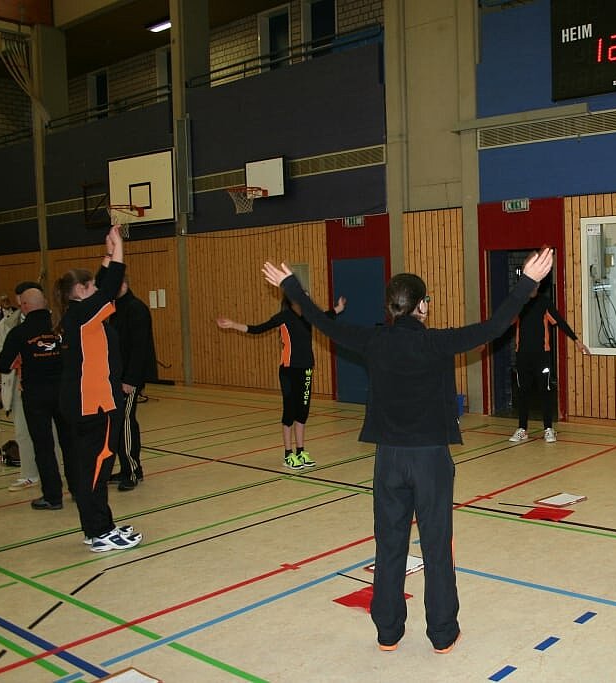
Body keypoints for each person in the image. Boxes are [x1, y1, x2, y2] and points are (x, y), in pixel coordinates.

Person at [261, 248, 555, 654]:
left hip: (389, 461)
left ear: (390, 308)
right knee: (436, 546)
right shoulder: (436, 343)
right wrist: (526, 284)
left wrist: (292, 287)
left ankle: (388, 631)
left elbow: (320, 322)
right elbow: (493, 327)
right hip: (430, 459)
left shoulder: (373, 340)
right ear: (422, 306)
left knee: (390, 544)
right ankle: (442, 634)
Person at [55, 224, 141, 552]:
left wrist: (107, 253)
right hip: (95, 406)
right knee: (96, 469)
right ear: (81, 290)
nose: (97, 288)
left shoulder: (77, 316)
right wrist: (119, 249)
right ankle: (101, 531)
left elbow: (103, 285)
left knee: (89, 468)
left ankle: (96, 527)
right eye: (91, 284)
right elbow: (109, 288)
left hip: (85, 404)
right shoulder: (83, 316)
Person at [217, 294, 346, 470]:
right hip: (288, 370)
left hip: (306, 369)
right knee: (290, 412)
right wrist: (233, 325)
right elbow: (258, 329)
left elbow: (324, 317)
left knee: (302, 412)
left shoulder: (309, 315)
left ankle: (300, 451)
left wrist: (339, 308)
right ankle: (288, 454)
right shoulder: (284, 317)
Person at [0, 284, 73, 510]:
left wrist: (20, 359)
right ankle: (79, 490)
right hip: (63, 392)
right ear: (45, 304)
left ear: (24, 307)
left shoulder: (19, 333)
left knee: (43, 446)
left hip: (35, 396)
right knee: (70, 443)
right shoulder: (61, 328)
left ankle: (53, 496)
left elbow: (3, 364)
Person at [508, 275, 589, 444]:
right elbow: (504, 323)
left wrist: (576, 341)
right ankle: (522, 429)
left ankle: (548, 428)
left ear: (538, 286)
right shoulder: (518, 304)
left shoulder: (544, 303)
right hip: (522, 355)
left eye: (536, 284)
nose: (533, 287)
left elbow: (560, 322)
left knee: (545, 391)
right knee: (523, 392)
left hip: (542, 356)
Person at [0, 284, 40, 491]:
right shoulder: (7, 324)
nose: (21, 301)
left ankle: (56, 472)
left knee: (52, 433)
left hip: (46, 385)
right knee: (23, 432)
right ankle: (29, 474)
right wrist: (17, 358)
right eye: (19, 297)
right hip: (18, 385)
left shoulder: (51, 320)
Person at [110, 276, 158, 491]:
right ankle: (126, 468)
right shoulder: (115, 308)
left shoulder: (135, 308)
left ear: (123, 285)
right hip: (117, 376)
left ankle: (132, 470)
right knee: (119, 423)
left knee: (126, 422)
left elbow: (140, 347)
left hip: (129, 378)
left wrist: (130, 379)